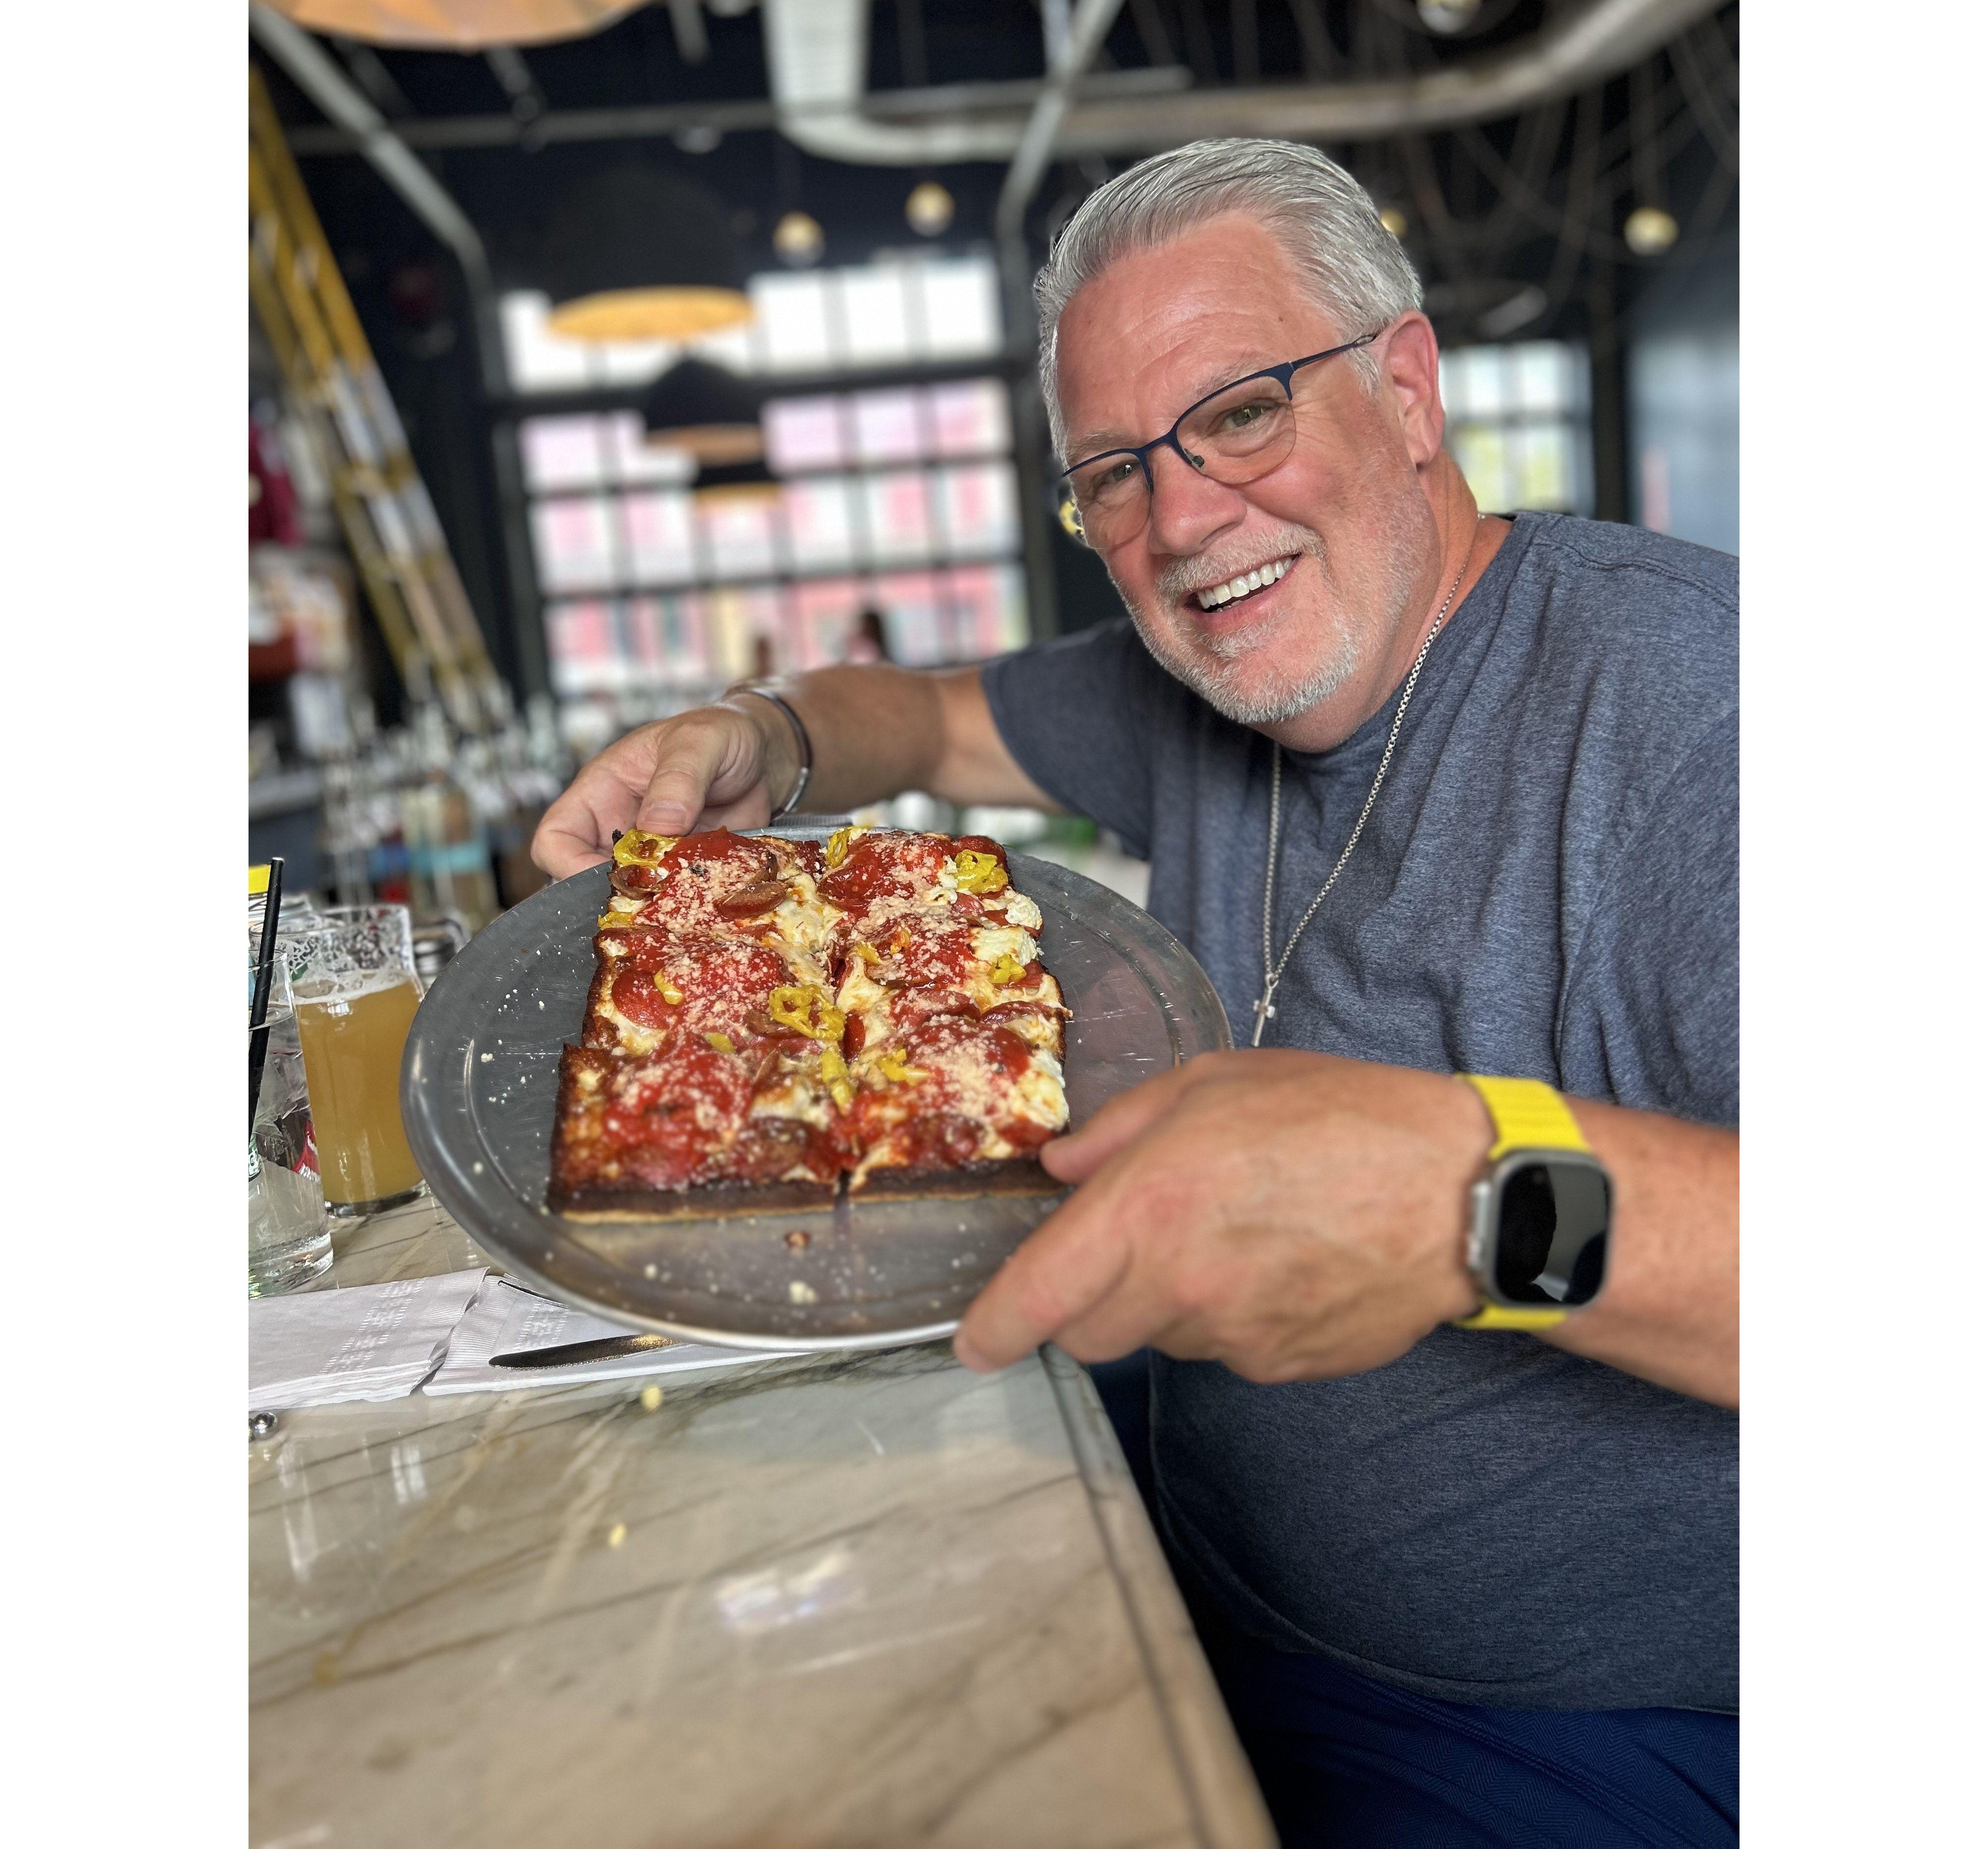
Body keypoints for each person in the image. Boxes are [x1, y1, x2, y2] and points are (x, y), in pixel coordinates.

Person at [532, 138, 1738, 1847]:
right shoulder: (1225, 675)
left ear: (1406, 391)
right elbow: (929, 718)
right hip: (1188, 1552)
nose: (1180, 521)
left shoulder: (1700, 717)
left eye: (1241, 412)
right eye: (1111, 473)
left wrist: (1473, 1201)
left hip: (1580, 1723)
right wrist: (765, 736)